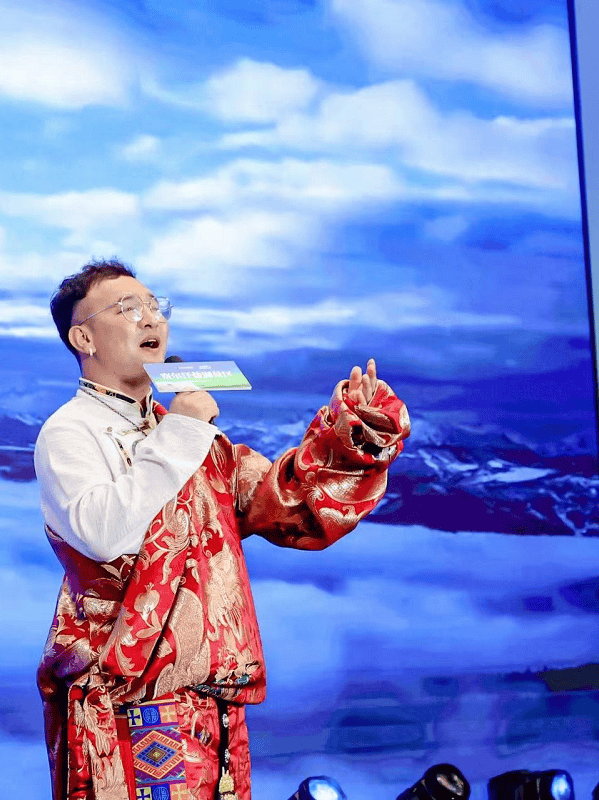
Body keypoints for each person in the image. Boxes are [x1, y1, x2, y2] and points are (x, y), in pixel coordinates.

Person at [34, 259, 410, 800]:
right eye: (128, 309)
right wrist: (183, 429)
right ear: (83, 338)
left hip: (215, 708)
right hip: (128, 708)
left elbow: (290, 507)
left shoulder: (193, 439)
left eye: (155, 307)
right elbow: (101, 532)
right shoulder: (70, 430)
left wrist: (355, 434)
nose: (151, 319)